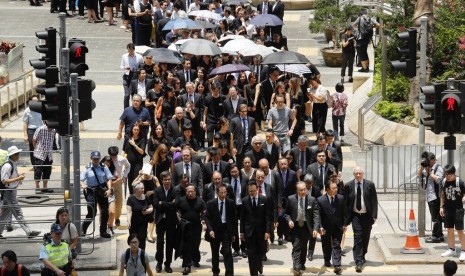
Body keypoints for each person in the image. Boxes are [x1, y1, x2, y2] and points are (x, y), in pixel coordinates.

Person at [0, 146, 40, 238]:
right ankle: (29, 232)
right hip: (9, 192)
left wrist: (18, 178)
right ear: (12, 155)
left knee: (5, 213)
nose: (18, 155)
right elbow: (4, 180)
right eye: (16, 154)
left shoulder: (12, 163)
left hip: (10, 192)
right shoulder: (7, 166)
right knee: (18, 213)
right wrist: (18, 178)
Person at [345, 166, 378, 273]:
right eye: (356, 173)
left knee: (366, 237)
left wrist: (374, 215)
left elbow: (374, 201)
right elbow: (346, 202)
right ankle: (358, 261)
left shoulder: (370, 185)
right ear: (354, 174)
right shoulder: (349, 185)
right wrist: (345, 218)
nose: (358, 175)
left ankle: (363, 254)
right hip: (355, 216)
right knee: (358, 237)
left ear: (362, 174)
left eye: (360, 173)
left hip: (367, 216)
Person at [284, 182, 320, 276]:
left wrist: (316, 229)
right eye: (301, 190)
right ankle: (296, 267)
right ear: (297, 191)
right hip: (295, 227)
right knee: (296, 246)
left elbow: (316, 215)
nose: (303, 191)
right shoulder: (291, 199)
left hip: (306, 227)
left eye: (305, 189)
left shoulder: (312, 200)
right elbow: (286, 213)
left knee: (303, 247)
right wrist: (289, 221)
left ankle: (302, 263)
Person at [240, 181, 273, 276]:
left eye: (254, 191)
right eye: (250, 191)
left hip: (261, 231)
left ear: (257, 189)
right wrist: (242, 232)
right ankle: (253, 273)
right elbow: (242, 218)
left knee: (261, 251)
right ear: (248, 190)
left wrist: (267, 231)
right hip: (249, 231)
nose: (252, 193)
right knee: (251, 254)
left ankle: (259, 264)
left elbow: (268, 217)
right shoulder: (245, 201)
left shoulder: (264, 199)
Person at [204, 184, 237, 276]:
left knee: (227, 251)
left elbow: (234, 219)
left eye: (225, 192)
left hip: (226, 230)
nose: (223, 195)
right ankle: (215, 271)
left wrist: (234, 233)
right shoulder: (211, 203)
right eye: (221, 193)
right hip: (215, 231)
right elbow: (207, 218)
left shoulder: (230, 203)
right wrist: (210, 230)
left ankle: (229, 272)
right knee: (215, 253)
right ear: (217, 193)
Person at [80, 151, 113, 238]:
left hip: (102, 190)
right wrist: (83, 185)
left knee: (105, 212)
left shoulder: (103, 167)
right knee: (91, 213)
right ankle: (83, 229)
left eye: (97, 158)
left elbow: (109, 178)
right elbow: (80, 179)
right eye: (94, 158)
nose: (96, 160)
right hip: (91, 191)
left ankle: (103, 231)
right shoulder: (87, 168)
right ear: (91, 158)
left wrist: (109, 189)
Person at [318, 180, 347, 275]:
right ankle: (327, 260)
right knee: (326, 245)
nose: (336, 189)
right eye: (333, 188)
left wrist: (344, 224)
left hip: (338, 226)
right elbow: (318, 215)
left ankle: (337, 264)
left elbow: (344, 213)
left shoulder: (341, 198)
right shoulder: (321, 200)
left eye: (336, 187)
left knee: (336, 245)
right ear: (327, 190)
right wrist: (320, 226)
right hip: (325, 227)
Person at [176, 185, 206, 275]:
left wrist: (204, 222)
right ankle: (186, 265)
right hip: (185, 226)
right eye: (188, 191)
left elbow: (204, 212)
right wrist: (178, 218)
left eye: (192, 191)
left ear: (195, 192)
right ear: (186, 192)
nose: (190, 193)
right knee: (186, 246)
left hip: (196, 227)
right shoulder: (181, 200)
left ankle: (195, 259)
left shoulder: (200, 201)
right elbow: (176, 210)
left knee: (195, 245)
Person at [417, 152, 444, 243]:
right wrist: (422, 166)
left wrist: (430, 173)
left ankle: (435, 236)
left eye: (428, 160)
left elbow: (439, 180)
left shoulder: (437, 168)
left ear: (433, 160)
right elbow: (419, 175)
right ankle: (440, 235)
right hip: (430, 196)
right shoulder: (427, 167)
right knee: (436, 217)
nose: (427, 162)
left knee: (436, 218)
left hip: (436, 196)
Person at [439, 165, 465, 261]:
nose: (447, 176)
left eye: (449, 175)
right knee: (449, 230)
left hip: (458, 209)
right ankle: (451, 249)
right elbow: (442, 194)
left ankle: (463, 251)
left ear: (454, 174)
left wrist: (464, 197)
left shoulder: (460, 182)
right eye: (445, 174)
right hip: (448, 209)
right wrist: (441, 207)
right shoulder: (444, 181)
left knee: (459, 230)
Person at [153, 171, 176, 273]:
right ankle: (159, 263)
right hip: (160, 220)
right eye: (165, 180)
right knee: (160, 243)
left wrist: (163, 203)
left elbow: (177, 204)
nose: (167, 181)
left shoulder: (175, 190)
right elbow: (156, 205)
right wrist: (170, 204)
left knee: (170, 244)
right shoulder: (157, 190)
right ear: (162, 180)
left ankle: (168, 264)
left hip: (171, 221)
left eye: (169, 179)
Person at [108, 146, 131, 228]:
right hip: (109, 182)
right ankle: (109, 219)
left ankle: (117, 218)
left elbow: (128, 166)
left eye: (114, 156)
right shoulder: (106, 160)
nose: (113, 158)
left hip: (118, 182)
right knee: (109, 202)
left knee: (119, 202)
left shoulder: (122, 159)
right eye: (111, 156)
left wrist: (124, 176)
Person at [127, 182, 154, 250]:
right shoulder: (131, 198)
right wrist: (129, 221)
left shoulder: (146, 197)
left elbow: (151, 208)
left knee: (142, 239)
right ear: (136, 190)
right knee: (133, 239)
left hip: (143, 223)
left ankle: (141, 255)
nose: (143, 189)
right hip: (133, 223)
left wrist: (147, 211)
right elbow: (129, 211)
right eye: (141, 188)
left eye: (143, 188)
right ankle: (133, 254)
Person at [122, 124, 147, 194]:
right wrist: (121, 159)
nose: (136, 131)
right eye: (134, 130)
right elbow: (124, 150)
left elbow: (142, 152)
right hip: (128, 163)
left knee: (136, 179)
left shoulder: (142, 139)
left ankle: (137, 193)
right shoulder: (127, 138)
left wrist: (134, 145)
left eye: (137, 130)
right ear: (132, 130)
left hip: (138, 163)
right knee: (130, 179)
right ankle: (131, 194)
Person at [230, 104, 256, 169]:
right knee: (239, 164)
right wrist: (233, 147)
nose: (245, 113)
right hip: (239, 146)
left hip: (249, 145)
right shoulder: (234, 121)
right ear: (239, 111)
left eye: (246, 111)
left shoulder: (252, 120)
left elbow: (254, 133)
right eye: (243, 111)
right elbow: (231, 136)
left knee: (249, 162)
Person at [32, 123, 56, 193]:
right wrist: (36, 148)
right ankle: (37, 187)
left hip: (49, 154)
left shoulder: (54, 130)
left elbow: (53, 139)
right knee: (38, 171)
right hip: (40, 154)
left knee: (47, 171)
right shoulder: (40, 129)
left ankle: (45, 187)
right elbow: (34, 139)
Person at [120, 43, 144, 108]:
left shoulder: (139, 57)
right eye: (129, 50)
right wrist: (125, 68)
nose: (130, 52)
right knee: (127, 95)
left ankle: (135, 108)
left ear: (134, 50)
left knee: (134, 95)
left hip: (135, 77)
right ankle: (126, 109)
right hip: (127, 77)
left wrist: (137, 70)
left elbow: (142, 66)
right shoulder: (124, 56)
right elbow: (121, 66)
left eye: (131, 51)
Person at [23, 95, 43, 166]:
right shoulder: (27, 111)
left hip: (40, 129)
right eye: (34, 101)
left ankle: (40, 161)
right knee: (32, 146)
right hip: (31, 130)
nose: (36, 102)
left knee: (41, 146)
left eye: (37, 101)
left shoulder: (41, 109)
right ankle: (34, 164)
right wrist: (25, 135)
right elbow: (25, 123)